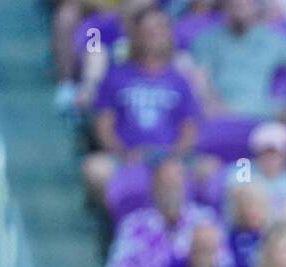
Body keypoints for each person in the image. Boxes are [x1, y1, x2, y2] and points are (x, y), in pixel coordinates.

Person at [83, 6, 200, 208]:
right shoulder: (115, 76)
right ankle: (120, 227)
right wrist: (124, 154)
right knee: (94, 169)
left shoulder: (180, 79)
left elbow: (189, 128)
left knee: (209, 169)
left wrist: (173, 156)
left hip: (171, 156)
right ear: (135, 35)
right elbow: (103, 126)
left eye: (158, 30)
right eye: (147, 31)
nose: (153, 37)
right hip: (125, 156)